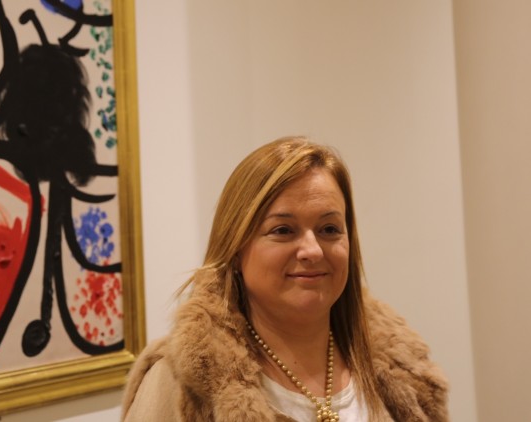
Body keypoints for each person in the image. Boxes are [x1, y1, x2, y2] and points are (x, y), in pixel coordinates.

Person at [121, 137, 448, 421]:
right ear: (235, 248)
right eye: (283, 230)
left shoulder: (402, 371)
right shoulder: (179, 382)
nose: (312, 250)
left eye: (329, 229)